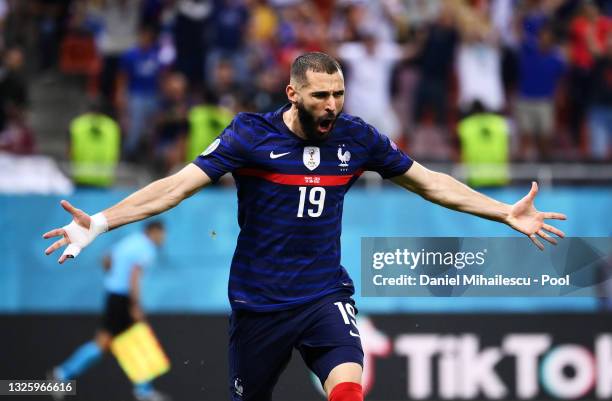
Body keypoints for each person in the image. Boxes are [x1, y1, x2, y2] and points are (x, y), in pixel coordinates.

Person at [43, 52, 566, 401]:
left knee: (347, 386)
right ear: (293, 94)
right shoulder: (250, 136)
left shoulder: (357, 139)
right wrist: (103, 222)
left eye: (338, 94)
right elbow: (177, 186)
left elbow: (430, 182)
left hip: (322, 293)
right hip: (258, 303)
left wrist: (503, 212)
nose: (332, 105)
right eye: (321, 96)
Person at [48, 221, 169, 401]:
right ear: (152, 232)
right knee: (129, 341)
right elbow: (135, 276)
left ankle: (63, 374)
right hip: (123, 300)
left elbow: (106, 258)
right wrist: (135, 305)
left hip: (114, 295)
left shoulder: (130, 241)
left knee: (108, 343)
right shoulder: (146, 247)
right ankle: (143, 390)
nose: (163, 238)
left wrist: (113, 279)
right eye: (161, 234)